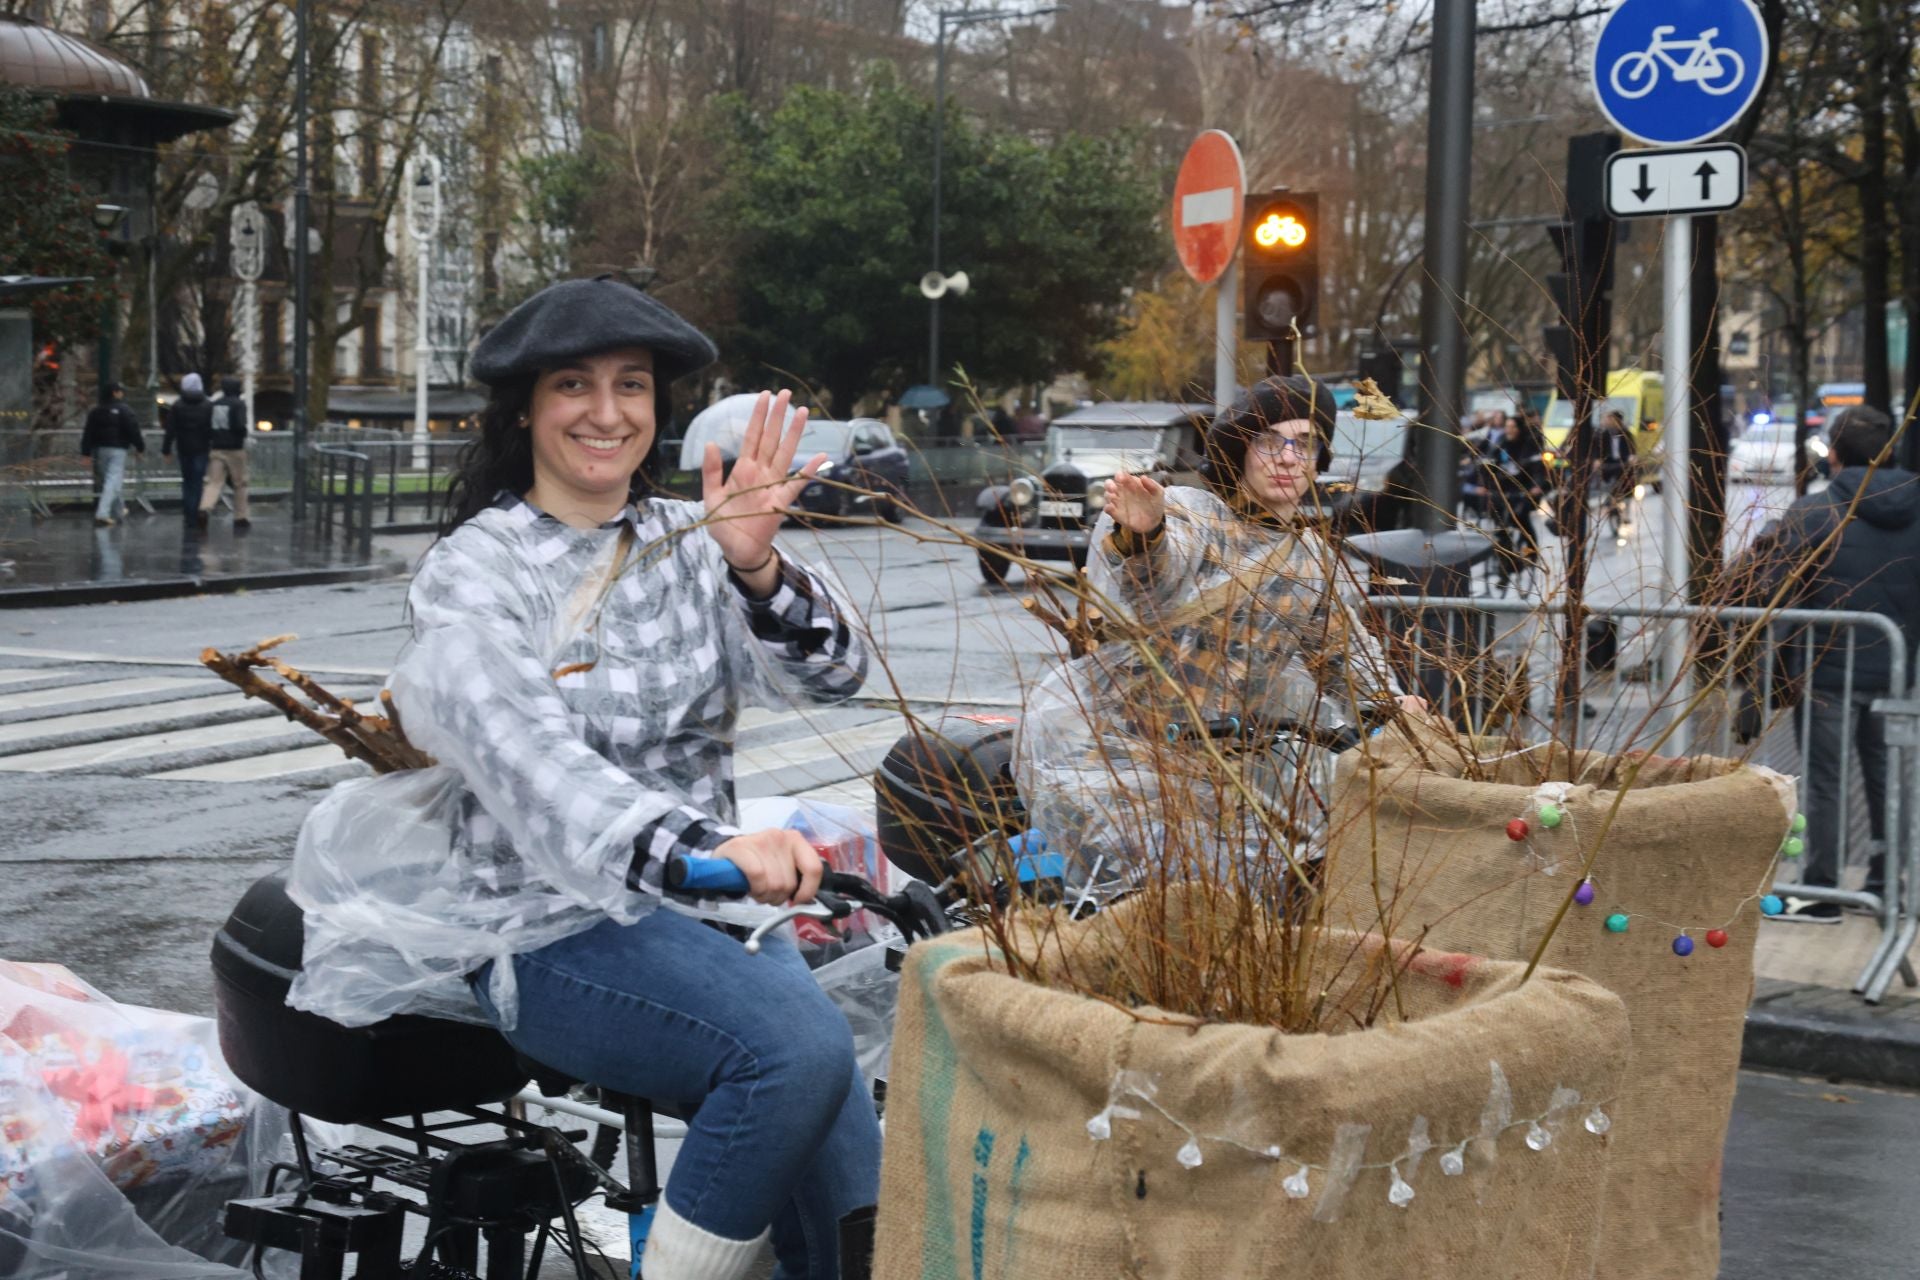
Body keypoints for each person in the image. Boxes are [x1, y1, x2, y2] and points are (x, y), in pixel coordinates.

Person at [285, 277, 877, 1279]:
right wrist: (705, 851)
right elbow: (531, 764)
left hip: (709, 908)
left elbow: (836, 670)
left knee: (847, 1144)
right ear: (525, 408)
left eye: (632, 386)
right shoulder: (478, 571)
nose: (607, 413)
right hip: (543, 924)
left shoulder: (692, 540)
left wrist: (756, 566)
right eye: (575, 385)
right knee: (791, 1057)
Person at [1014, 374, 1417, 886]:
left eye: (1305, 443)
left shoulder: (1311, 558)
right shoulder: (1195, 514)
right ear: (1241, 451)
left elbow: (1345, 651)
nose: (1289, 457)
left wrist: (1393, 704)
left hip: (1234, 770)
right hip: (1132, 753)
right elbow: (1156, 579)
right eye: (1270, 441)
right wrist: (1146, 537)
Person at [1733, 405, 1920, 923]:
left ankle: (1823, 892)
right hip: (1900, 672)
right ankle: (1887, 886)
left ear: (1832, 453)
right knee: (1889, 780)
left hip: (1828, 672)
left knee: (1826, 781)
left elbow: (1767, 591)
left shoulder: (1812, 512)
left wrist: (1758, 679)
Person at [1482, 414, 1549, 593]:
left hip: (1525, 492)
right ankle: (1505, 567)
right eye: (1507, 427)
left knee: (1520, 517)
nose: (1510, 430)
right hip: (1505, 491)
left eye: (1513, 427)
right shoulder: (1501, 444)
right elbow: (1490, 465)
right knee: (1501, 527)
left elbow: (1538, 469)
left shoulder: (1529, 445)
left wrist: (1536, 486)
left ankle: (1529, 551)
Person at [79, 382, 144, 527]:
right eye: (120, 391)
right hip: (118, 448)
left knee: (108, 480)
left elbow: (88, 432)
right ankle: (102, 513)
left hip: (101, 449)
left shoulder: (96, 411)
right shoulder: (124, 410)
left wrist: (86, 453)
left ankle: (119, 509)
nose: (122, 393)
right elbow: (133, 429)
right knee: (113, 479)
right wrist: (139, 447)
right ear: (115, 393)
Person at [161, 372, 214, 528]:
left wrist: (166, 449)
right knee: (198, 481)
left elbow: (170, 429)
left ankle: (189, 513)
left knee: (187, 481)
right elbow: (212, 429)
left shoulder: (178, 405)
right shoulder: (207, 405)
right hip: (202, 448)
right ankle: (199, 510)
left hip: (184, 447)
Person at [200, 377, 252, 529]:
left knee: (214, 482)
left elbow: (207, 425)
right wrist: (242, 435)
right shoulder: (238, 404)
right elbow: (239, 425)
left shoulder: (214, 404)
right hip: (234, 448)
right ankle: (240, 517)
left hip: (216, 447)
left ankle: (204, 508)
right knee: (240, 483)